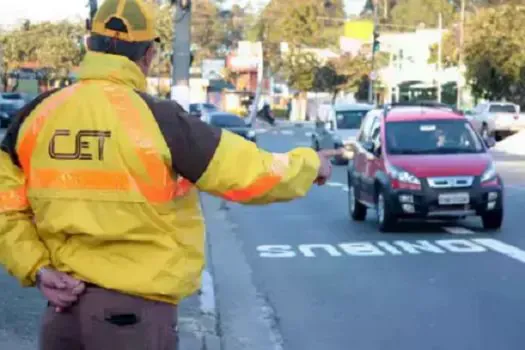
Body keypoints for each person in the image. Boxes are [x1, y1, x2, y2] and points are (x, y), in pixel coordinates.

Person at [0, 0, 341, 349]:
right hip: (134, 321)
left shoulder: (34, 117)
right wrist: (310, 164)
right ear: (148, 55)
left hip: (61, 315)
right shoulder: (158, 119)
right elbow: (250, 175)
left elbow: (5, 208)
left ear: (90, 45)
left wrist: (37, 267)